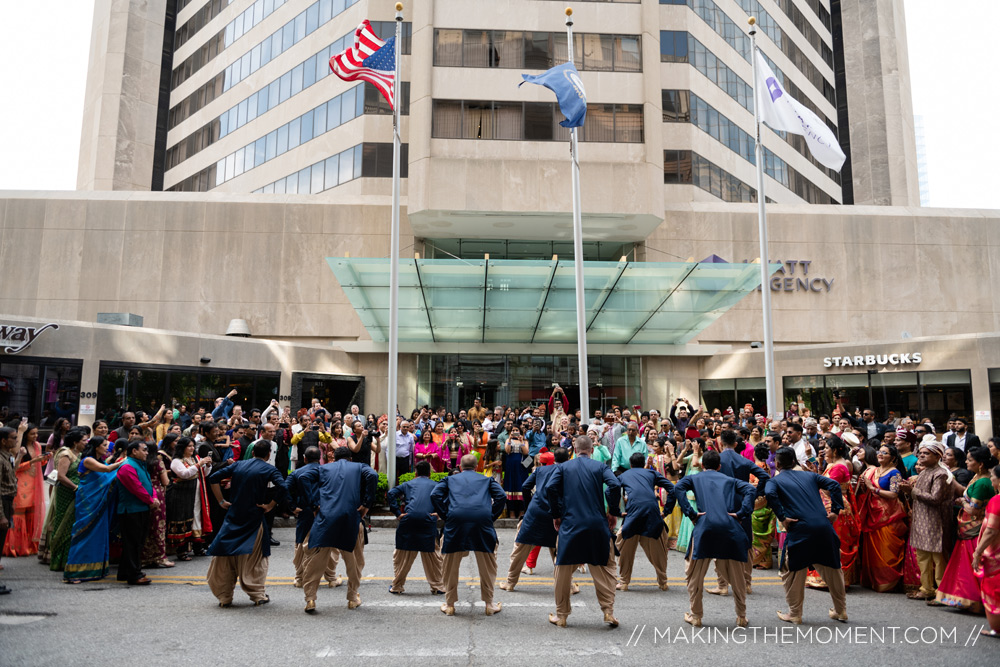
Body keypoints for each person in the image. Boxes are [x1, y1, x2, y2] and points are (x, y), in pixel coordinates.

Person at [545, 435, 623, 628]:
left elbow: (550, 487)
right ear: (592, 450)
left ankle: (562, 615)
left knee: (562, 570)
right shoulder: (600, 467)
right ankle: (608, 611)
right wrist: (613, 511)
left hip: (570, 524)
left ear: (574, 448)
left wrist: (556, 514)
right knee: (605, 567)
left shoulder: (563, 467)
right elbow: (615, 485)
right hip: (597, 523)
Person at [673, 449, 756, 628]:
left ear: (702, 465)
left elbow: (677, 488)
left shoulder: (694, 478)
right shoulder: (730, 480)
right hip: (731, 527)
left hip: (705, 527)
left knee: (695, 574)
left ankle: (696, 616)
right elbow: (750, 489)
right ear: (720, 466)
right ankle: (741, 616)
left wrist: (691, 513)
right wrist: (742, 513)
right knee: (738, 576)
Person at [765, 447, 848, 624]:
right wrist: (835, 511)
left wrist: (782, 516)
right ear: (794, 461)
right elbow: (833, 485)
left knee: (793, 571)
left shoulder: (776, 480)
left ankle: (795, 613)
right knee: (833, 569)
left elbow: (769, 493)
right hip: (823, 526)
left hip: (800, 528)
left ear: (777, 464)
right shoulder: (810, 476)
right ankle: (841, 611)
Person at [205, 440, 288, 607]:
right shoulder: (269, 469)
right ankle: (257, 594)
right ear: (268, 454)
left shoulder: (238, 465)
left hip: (234, 514)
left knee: (225, 556)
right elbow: (283, 487)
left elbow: (213, 478)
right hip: (254, 516)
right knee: (255, 558)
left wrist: (221, 501)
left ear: (252, 452)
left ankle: (224, 596)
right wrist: (270, 505)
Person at [299, 447, 377, 613]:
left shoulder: (323, 468)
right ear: (350, 458)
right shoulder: (359, 467)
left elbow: (304, 477)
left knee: (316, 560)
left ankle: (310, 599)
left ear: (333, 457)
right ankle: (352, 597)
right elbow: (373, 475)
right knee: (354, 561)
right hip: (350, 516)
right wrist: (366, 504)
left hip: (325, 517)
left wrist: (314, 504)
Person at [431, 454, 505, 616]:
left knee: (450, 563)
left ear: (460, 467)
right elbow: (501, 496)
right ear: (477, 466)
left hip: (456, 520)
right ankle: (489, 604)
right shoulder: (486, 479)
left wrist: (445, 515)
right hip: (481, 520)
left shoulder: (450, 479)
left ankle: (450, 604)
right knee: (488, 563)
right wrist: (490, 516)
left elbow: (435, 495)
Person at [934, 447, 997, 611]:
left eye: (970, 460)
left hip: (974, 529)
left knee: (972, 565)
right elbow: (965, 492)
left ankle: (976, 599)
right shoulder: (977, 477)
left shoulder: (983, 482)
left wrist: (961, 502)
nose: (966, 462)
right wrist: (951, 477)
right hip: (968, 528)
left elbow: (973, 509)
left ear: (981, 464)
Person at [709, 429, 769, 596]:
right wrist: (756, 493)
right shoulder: (744, 460)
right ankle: (746, 583)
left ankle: (722, 584)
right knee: (746, 544)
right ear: (736, 444)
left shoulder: (717, 460)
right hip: (743, 505)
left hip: (721, 505)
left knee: (720, 544)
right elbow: (764, 476)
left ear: (720, 442)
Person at [499, 449, 567, 592]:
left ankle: (510, 583)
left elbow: (525, 486)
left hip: (536, 511)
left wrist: (529, 506)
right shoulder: (568, 472)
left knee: (520, 549)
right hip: (558, 514)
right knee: (559, 551)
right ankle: (568, 585)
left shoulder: (540, 471)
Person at [63, 437, 125, 583]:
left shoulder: (100, 460)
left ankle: (95, 569)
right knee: (83, 534)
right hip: (88, 502)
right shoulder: (88, 460)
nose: (107, 448)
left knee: (98, 535)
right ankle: (74, 574)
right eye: (104, 445)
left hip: (98, 502)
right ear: (96, 447)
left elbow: (107, 472)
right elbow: (107, 470)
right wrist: (125, 461)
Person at [898, 440, 953, 600]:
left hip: (936, 520)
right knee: (923, 557)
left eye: (926, 453)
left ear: (937, 456)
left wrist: (912, 491)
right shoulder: (924, 472)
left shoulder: (941, 474)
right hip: (921, 519)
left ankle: (942, 593)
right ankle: (926, 589)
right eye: (920, 452)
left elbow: (935, 498)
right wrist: (907, 491)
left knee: (938, 558)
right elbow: (919, 495)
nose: (921, 455)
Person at [806, 434, 861, 589]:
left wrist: (813, 481)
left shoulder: (838, 466)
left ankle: (830, 578)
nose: (824, 450)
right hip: (835, 505)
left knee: (833, 542)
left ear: (836, 451)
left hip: (835, 507)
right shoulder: (835, 464)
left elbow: (830, 489)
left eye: (827, 448)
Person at [616, 452, 675, 591]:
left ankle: (624, 582)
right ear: (643, 464)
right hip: (651, 512)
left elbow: (610, 490)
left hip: (633, 513)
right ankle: (663, 582)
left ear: (630, 465)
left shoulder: (624, 475)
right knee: (659, 548)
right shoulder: (652, 474)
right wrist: (667, 510)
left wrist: (616, 511)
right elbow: (672, 488)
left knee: (624, 546)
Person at [285, 446, 342, 589]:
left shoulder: (296, 473)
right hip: (327, 511)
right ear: (321, 458)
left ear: (304, 458)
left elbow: (283, 489)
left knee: (301, 542)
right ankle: (331, 578)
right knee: (328, 543)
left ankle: (299, 577)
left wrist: (292, 507)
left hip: (304, 511)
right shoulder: (330, 471)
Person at [855, 443, 909, 592]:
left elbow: (893, 494)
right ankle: (874, 580)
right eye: (880, 452)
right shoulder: (875, 470)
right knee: (873, 549)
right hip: (873, 513)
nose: (880, 454)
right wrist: (865, 486)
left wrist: (873, 489)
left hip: (889, 515)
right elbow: (867, 491)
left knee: (887, 548)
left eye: (884, 453)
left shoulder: (894, 473)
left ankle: (888, 581)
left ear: (892, 458)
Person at [387, 460, 445, 595]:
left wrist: (398, 513)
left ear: (415, 473)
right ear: (430, 473)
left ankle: (397, 586)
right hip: (428, 519)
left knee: (403, 554)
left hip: (408, 519)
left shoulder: (408, 484)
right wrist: (440, 513)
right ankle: (438, 586)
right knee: (432, 554)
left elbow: (391, 494)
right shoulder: (435, 485)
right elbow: (448, 497)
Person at [114, 441, 160, 586]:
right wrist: (150, 500)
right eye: (144, 450)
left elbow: (148, 483)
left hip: (141, 508)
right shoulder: (127, 466)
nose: (147, 453)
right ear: (134, 451)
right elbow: (136, 488)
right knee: (133, 543)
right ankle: (134, 574)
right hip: (131, 510)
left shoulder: (138, 464)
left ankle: (125, 572)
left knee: (136, 542)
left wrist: (154, 497)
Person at [4, 423, 49, 556]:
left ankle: (29, 545)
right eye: (32, 434)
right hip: (21, 482)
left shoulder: (37, 446)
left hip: (34, 483)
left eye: (37, 433)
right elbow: (16, 467)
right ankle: (15, 547)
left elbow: (39, 463)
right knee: (19, 515)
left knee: (31, 514)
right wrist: (34, 461)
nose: (35, 436)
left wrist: (44, 459)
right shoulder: (18, 448)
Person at [166, 437, 214, 560]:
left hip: (196, 493)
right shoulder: (176, 461)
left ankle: (198, 547)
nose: (192, 448)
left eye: (193, 446)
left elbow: (205, 474)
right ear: (182, 448)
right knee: (183, 518)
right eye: (189, 446)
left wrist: (208, 466)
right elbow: (185, 474)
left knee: (196, 517)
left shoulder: (195, 458)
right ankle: (181, 551)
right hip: (181, 494)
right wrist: (199, 464)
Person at [47, 429, 87, 572]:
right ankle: (59, 561)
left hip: (76, 492)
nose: (86, 443)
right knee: (64, 524)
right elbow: (61, 476)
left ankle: (70, 560)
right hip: (67, 493)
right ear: (75, 442)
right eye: (84, 440)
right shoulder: (66, 454)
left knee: (73, 526)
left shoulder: (79, 454)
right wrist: (76, 488)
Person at [972, 465, 1000, 638]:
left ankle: (996, 628)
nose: (991, 480)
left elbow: (991, 530)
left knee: (993, 589)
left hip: (996, 554)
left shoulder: (997, 500)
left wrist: (978, 552)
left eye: (993, 476)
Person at [141, 440, 173, 569]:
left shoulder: (140, 462)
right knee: (158, 526)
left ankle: (144, 557)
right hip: (157, 493)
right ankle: (160, 557)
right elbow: (165, 481)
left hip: (143, 492)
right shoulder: (157, 462)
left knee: (145, 526)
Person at [675, 438, 704, 553]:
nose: (693, 446)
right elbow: (679, 461)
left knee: (696, 512)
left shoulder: (704, 457)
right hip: (690, 486)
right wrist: (685, 449)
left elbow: (696, 464)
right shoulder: (692, 455)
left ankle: (696, 542)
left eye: (694, 444)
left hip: (699, 487)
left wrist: (696, 451)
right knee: (688, 514)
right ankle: (686, 542)